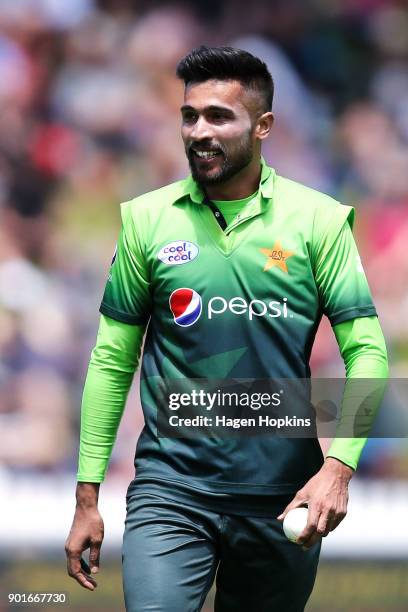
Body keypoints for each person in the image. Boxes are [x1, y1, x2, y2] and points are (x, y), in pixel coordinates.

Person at [65, 46, 388, 611]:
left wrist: (338, 468)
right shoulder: (147, 219)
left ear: (263, 126)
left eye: (220, 116)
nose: (198, 131)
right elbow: (112, 360)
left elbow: (368, 353)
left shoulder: (320, 221)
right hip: (171, 491)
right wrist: (87, 494)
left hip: (282, 498)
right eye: (190, 115)